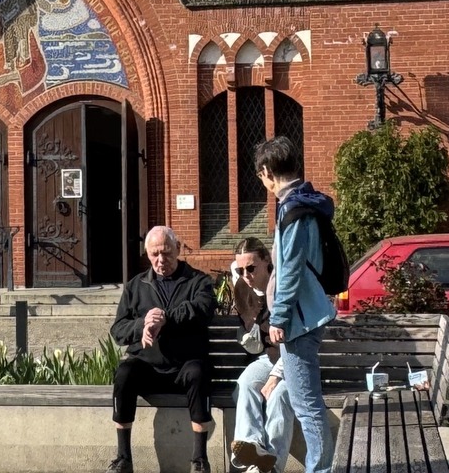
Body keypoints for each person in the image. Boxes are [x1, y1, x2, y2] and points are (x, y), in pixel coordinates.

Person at [255, 136, 337, 473]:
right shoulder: (305, 202)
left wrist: (279, 317)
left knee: (307, 407)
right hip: (305, 317)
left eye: (261, 175)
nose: (262, 181)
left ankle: (319, 470)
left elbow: (289, 269)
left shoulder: (292, 209)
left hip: (298, 322)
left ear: (267, 172)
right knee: (302, 401)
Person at [110, 224, 217, 473]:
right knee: (124, 373)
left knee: (198, 373)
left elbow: (201, 310)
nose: (161, 259)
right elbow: (118, 330)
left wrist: (166, 318)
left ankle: (200, 459)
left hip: (185, 366)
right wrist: (142, 324)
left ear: (178, 249)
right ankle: (123, 457)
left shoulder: (198, 281)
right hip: (149, 368)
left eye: (167, 252)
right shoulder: (135, 286)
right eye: (154, 254)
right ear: (147, 254)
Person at [228, 236, 293, 473]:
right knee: (246, 382)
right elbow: (257, 347)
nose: (246, 274)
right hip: (271, 359)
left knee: (278, 396)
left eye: (251, 267)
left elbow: (295, 344)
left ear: (267, 261)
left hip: (296, 360)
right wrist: (247, 328)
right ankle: (252, 446)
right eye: (241, 269)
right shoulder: (246, 290)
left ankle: (270, 467)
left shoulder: (283, 288)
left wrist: (275, 377)